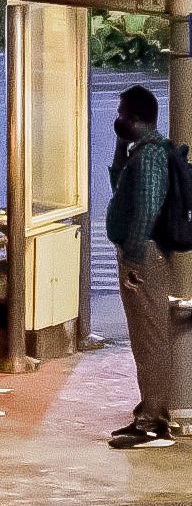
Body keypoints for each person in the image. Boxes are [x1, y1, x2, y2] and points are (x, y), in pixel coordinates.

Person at [105, 85, 179, 449]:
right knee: (145, 339)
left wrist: (133, 257)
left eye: (120, 113)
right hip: (142, 253)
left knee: (150, 340)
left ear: (133, 116)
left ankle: (152, 422)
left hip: (144, 256)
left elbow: (148, 206)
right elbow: (122, 190)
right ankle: (151, 414)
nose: (117, 119)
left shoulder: (151, 155)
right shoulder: (139, 153)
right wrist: (120, 149)